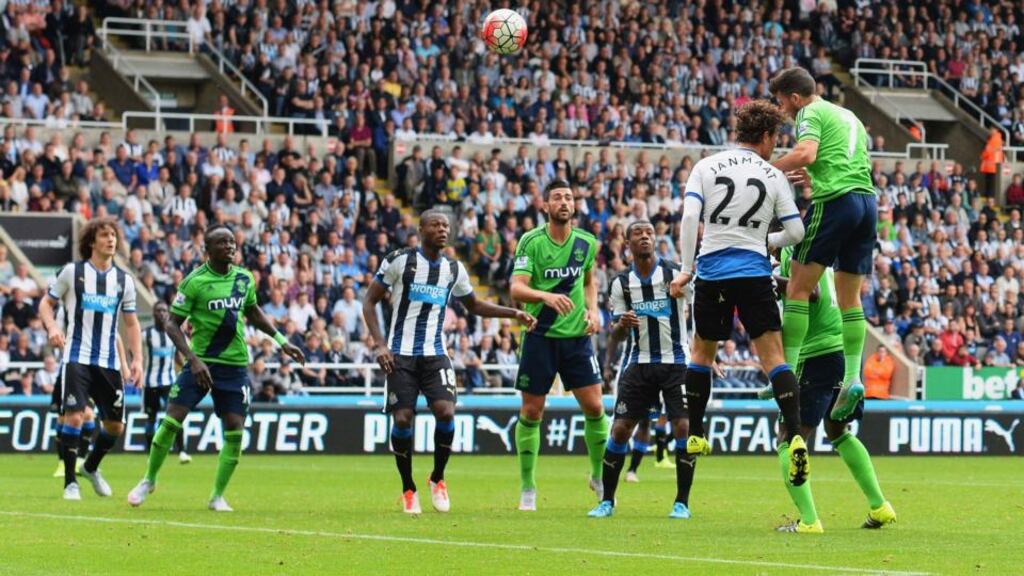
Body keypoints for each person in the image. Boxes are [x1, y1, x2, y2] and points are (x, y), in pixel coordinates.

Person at [670, 101, 810, 494]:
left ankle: (695, 432)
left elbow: (689, 218)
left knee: (702, 354)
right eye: (776, 139)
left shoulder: (705, 166)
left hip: (713, 271)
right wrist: (765, 242)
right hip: (754, 272)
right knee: (773, 358)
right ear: (766, 136)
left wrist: (686, 266)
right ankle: (796, 435)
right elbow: (796, 233)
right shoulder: (774, 175)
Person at [363, 210, 536, 515]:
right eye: (436, 225)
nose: (443, 229)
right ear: (421, 229)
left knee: (445, 412)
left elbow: (475, 305)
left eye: (446, 225)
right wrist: (379, 344)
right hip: (400, 354)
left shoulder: (453, 269)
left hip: (435, 353)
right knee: (402, 419)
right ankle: (408, 488)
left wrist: (514, 313)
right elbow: (370, 300)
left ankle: (438, 478)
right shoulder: (399, 260)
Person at [127, 225, 306, 512]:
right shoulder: (194, 282)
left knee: (235, 429)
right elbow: (172, 323)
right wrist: (192, 359)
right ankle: (149, 478)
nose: (231, 247)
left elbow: (253, 312)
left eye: (233, 242)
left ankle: (217, 496)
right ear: (208, 250)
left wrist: (282, 341)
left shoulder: (244, 278)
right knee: (172, 420)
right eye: (223, 243)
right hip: (201, 364)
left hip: (235, 366)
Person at [760, 246, 897, 532]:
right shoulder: (815, 250)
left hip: (815, 354)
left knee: (789, 436)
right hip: (842, 351)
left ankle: (809, 520)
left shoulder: (788, 254)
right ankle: (880, 506)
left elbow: (810, 293)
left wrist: (770, 280)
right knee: (838, 432)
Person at [770, 67, 877, 422]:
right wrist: (811, 178)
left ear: (795, 97)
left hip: (836, 203)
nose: (783, 110)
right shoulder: (849, 116)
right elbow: (838, 162)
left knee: (799, 289)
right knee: (851, 298)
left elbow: (806, 153)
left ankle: (783, 372)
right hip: (866, 204)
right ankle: (852, 378)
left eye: (782, 102)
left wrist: (764, 168)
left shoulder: (810, 113)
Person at [510, 178, 607, 512]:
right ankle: (528, 487)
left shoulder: (586, 243)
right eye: (557, 198)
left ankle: (598, 477)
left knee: (595, 407)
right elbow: (517, 289)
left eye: (568, 197)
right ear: (546, 206)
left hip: (577, 339)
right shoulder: (531, 242)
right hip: (540, 337)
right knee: (532, 411)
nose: (564, 202)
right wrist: (545, 296)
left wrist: (594, 312)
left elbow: (591, 282)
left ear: (575, 205)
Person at [589, 220, 695, 519]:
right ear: (628, 244)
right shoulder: (621, 283)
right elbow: (616, 333)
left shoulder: (676, 275)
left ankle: (682, 503)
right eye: (638, 234)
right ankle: (607, 501)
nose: (646, 237)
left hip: (676, 362)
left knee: (683, 427)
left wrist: (705, 353)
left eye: (649, 232)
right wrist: (622, 326)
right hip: (639, 363)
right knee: (621, 429)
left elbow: (700, 310)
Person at [39, 217, 144, 501]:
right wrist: (52, 327)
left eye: (113, 235)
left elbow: (131, 324)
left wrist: (137, 360)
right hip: (77, 357)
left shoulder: (125, 281)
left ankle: (91, 467)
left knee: (115, 426)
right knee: (74, 416)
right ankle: (70, 483)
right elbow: (46, 304)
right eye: (104, 235)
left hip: (108, 362)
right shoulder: (72, 273)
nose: (111, 240)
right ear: (91, 241)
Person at [141, 301, 189, 463]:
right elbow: (133, 351)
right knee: (151, 418)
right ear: (153, 314)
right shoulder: (145, 334)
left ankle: (182, 451)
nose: (161, 313)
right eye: (158, 310)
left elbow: (176, 355)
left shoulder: (173, 333)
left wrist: (186, 367)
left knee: (176, 416)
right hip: (150, 383)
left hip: (169, 381)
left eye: (164, 310)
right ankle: (150, 455)